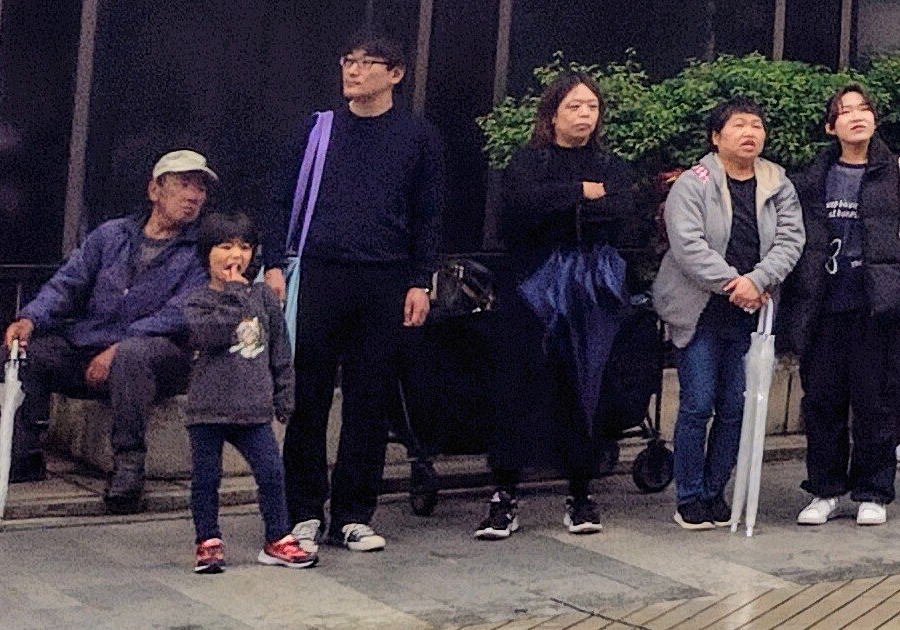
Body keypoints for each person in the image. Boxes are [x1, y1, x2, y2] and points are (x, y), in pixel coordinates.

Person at [0, 150, 213, 510]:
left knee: (132, 355)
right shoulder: (111, 235)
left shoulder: (200, 250)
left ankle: (129, 469)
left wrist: (120, 346)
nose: (194, 196)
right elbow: (67, 284)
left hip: (158, 357)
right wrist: (31, 319)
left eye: (201, 189)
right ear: (154, 190)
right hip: (90, 344)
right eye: (184, 185)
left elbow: (181, 312)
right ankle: (23, 456)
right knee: (21, 352)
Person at [279, 32, 444, 557]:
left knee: (370, 398)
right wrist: (273, 264)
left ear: (395, 74)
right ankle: (302, 510)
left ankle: (353, 513)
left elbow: (428, 215)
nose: (353, 71)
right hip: (320, 274)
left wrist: (421, 280)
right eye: (347, 61)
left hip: (386, 278)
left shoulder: (418, 136)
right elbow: (281, 194)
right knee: (308, 396)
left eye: (367, 63)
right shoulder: (318, 129)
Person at [479, 73, 639, 540]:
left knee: (585, 386)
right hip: (532, 287)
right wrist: (578, 194)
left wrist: (566, 206)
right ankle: (504, 495)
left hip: (593, 289)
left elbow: (621, 211)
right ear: (552, 114)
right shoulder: (528, 162)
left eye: (592, 107)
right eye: (574, 106)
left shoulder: (610, 164)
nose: (584, 115)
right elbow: (516, 211)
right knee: (519, 387)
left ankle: (581, 493)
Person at [652, 98, 804, 529]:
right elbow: (687, 245)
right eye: (739, 125)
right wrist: (734, 284)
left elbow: (791, 240)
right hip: (699, 311)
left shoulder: (778, 182)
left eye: (756, 125)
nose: (749, 132)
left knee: (736, 408)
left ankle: (716, 491)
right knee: (698, 404)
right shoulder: (693, 183)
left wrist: (758, 280)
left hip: (749, 314)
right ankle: (689, 495)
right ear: (717, 137)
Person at [790, 82, 900, 528]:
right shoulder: (812, 178)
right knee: (823, 401)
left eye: (864, 108)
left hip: (876, 305)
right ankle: (825, 491)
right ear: (832, 127)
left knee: (876, 403)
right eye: (845, 111)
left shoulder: (899, 172)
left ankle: (874, 492)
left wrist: (897, 270)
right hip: (824, 303)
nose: (856, 116)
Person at [180, 210, 311, 572]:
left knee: (271, 474)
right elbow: (214, 334)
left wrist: (285, 395)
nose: (236, 256)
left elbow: (279, 350)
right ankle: (208, 541)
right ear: (206, 253)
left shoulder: (265, 298)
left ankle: (277, 538)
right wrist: (235, 294)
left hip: (253, 411)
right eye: (225, 247)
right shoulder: (197, 300)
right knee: (207, 479)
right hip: (208, 410)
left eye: (245, 247)